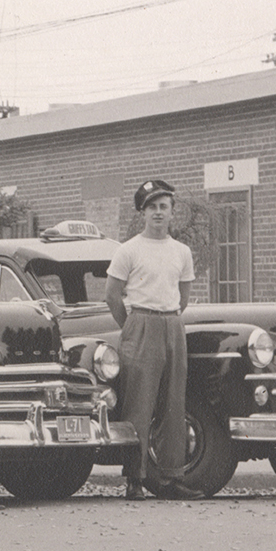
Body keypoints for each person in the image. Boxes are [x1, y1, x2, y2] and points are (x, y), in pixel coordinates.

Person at [105, 179, 201, 501]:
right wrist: (133, 326)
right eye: (152, 207)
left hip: (172, 324)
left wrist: (167, 321)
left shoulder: (181, 252)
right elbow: (112, 295)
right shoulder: (128, 250)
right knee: (139, 406)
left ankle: (172, 478)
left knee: (174, 404)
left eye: (163, 207)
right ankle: (136, 478)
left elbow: (183, 296)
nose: (158, 213)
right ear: (142, 213)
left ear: (172, 212)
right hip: (140, 323)